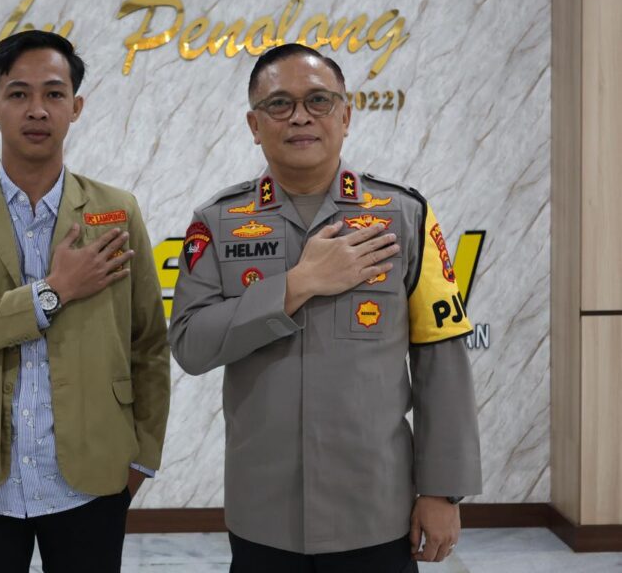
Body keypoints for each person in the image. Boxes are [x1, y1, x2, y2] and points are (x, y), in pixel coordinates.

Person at [169, 43, 481, 572]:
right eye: (279, 104)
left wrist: (443, 491)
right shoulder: (218, 222)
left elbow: (441, 357)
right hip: (263, 511)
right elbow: (191, 345)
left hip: (375, 507)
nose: (300, 117)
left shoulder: (404, 216)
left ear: (346, 115)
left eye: (318, 100)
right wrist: (296, 285)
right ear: (254, 124)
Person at [0, 30, 170, 572]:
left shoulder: (116, 210)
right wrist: (52, 293)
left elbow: (147, 343)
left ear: (76, 107)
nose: (37, 110)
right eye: (18, 94)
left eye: (54, 94)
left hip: (91, 478)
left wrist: (141, 459)